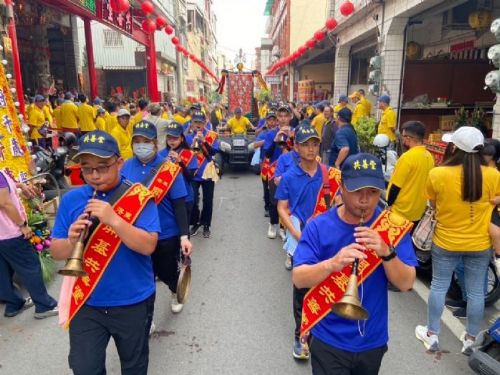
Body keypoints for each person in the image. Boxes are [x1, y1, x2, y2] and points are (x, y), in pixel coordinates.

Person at [293, 153, 417, 374]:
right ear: (341, 187)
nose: (365, 200)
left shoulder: (391, 227)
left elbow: (406, 283)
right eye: (357, 191)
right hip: (328, 339)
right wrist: (332, 263)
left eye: (372, 192)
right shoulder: (318, 226)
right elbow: (299, 278)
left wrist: (386, 252)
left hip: (372, 339)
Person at [50, 130, 160, 374]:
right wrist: (71, 241)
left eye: (102, 166)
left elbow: (148, 246)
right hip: (88, 302)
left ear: (119, 163)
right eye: (87, 169)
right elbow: (56, 252)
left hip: (133, 300)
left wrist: (115, 220)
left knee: (134, 365)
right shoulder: (72, 200)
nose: (95, 175)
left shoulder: (140, 197)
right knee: (84, 367)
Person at [415, 127, 500, 355]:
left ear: (454, 147)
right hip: (480, 244)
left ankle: (432, 334)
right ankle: (470, 339)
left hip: (446, 241)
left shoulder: (438, 173)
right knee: (474, 292)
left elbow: (432, 204)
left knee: (439, 286)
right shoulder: (494, 175)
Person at [276, 125, 342, 360]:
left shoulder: (330, 173)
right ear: (297, 147)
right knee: (302, 290)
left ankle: (325, 331)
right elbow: (282, 208)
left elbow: (339, 204)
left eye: (314, 143)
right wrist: (295, 233)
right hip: (301, 237)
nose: (311, 148)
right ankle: (300, 334)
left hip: (329, 239)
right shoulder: (289, 177)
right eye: (305, 144)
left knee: (329, 284)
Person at [122, 121, 192, 314]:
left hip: (166, 233)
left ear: (154, 142)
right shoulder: (126, 167)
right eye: (137, 141)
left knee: (167, 271)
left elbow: (180, 205)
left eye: (146, 141)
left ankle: (174, 290)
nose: (141, 145)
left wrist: (184, 236)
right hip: (136, 233)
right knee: (144, 276)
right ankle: (147, 314)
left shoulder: (169, 169)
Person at [0, 170, 58, 319]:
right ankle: (44, 306)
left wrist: (19, 185)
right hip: (9, 232)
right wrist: (22, 224)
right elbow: (5, 202)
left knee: (2, 271)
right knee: (30, 267)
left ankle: (13, 304)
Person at [386, 121, 434, 224]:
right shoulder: (429, 156)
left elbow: (396, 186)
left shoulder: (407, 157)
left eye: (403, 137)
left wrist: (389, 204)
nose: (402, 139)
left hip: (400, 212)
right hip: (417, 212)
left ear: (408, 138)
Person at [262, 104, 293, 239]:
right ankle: (273, 223)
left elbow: (300, 152)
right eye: (280, 116)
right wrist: (275, 141)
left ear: (290, 117)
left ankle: (284, 226)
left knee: (289, 201)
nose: (283, 119)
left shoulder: (295, 132)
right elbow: (267, 155)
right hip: (274, 170)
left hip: (292, 171)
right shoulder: (270, 134)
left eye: (286, 115)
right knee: (274, 200)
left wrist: (291, 138)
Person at [187, 110, 220, 238]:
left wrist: (204, 141)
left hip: (207, 171)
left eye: (200, 122)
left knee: (208, 201)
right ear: (192, 123)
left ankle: (206, 224)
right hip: (193, 173)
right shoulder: (187, 136)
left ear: (205, 122)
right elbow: (185, 154)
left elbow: (213, 152)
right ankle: (195, 223)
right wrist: (192, 143)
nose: (198, 125)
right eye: (196, 122)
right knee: (193, 199)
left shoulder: (212, 135)